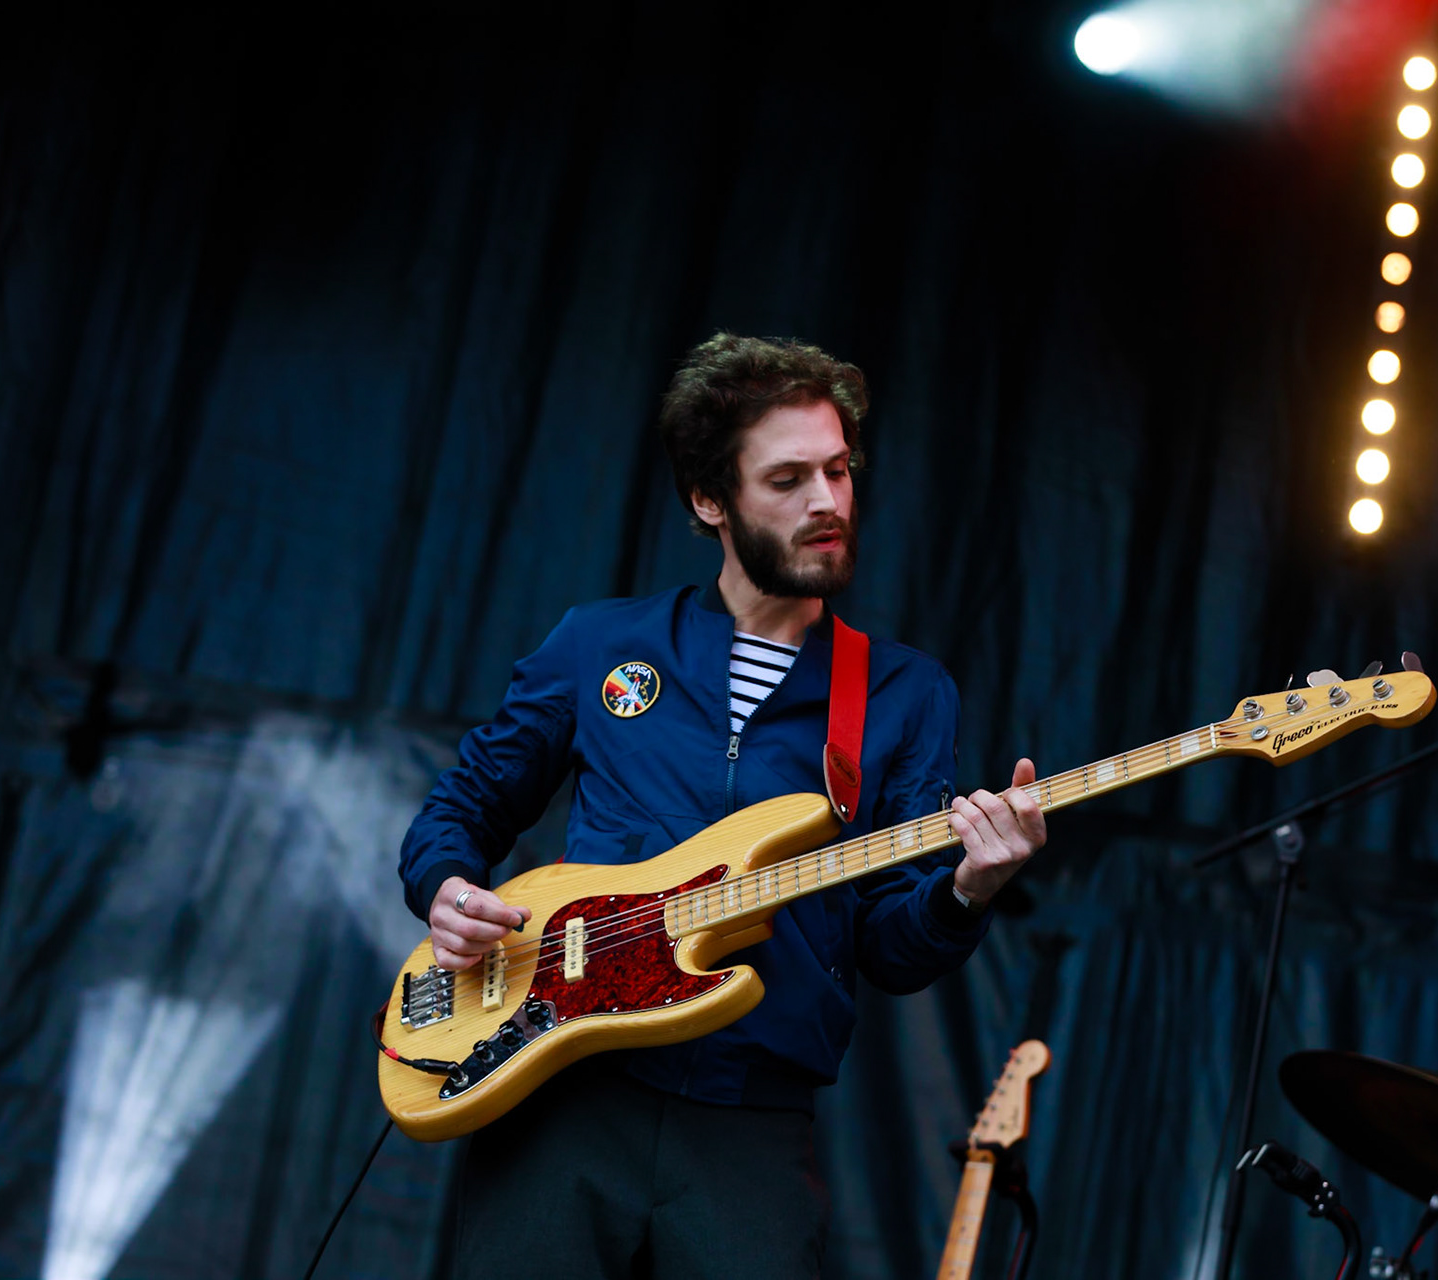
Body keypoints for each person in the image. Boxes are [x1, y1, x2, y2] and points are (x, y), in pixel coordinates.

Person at [397, 332, 1045, 1278]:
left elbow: (887, 947)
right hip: (569, 1092)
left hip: (753, 1126)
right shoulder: (599, 644)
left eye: (838, 470)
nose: (828, 502)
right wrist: (445, 887)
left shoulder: (904, 693)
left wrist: (970, 891)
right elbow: (462, 806)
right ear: (711, 500)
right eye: (788, 480)